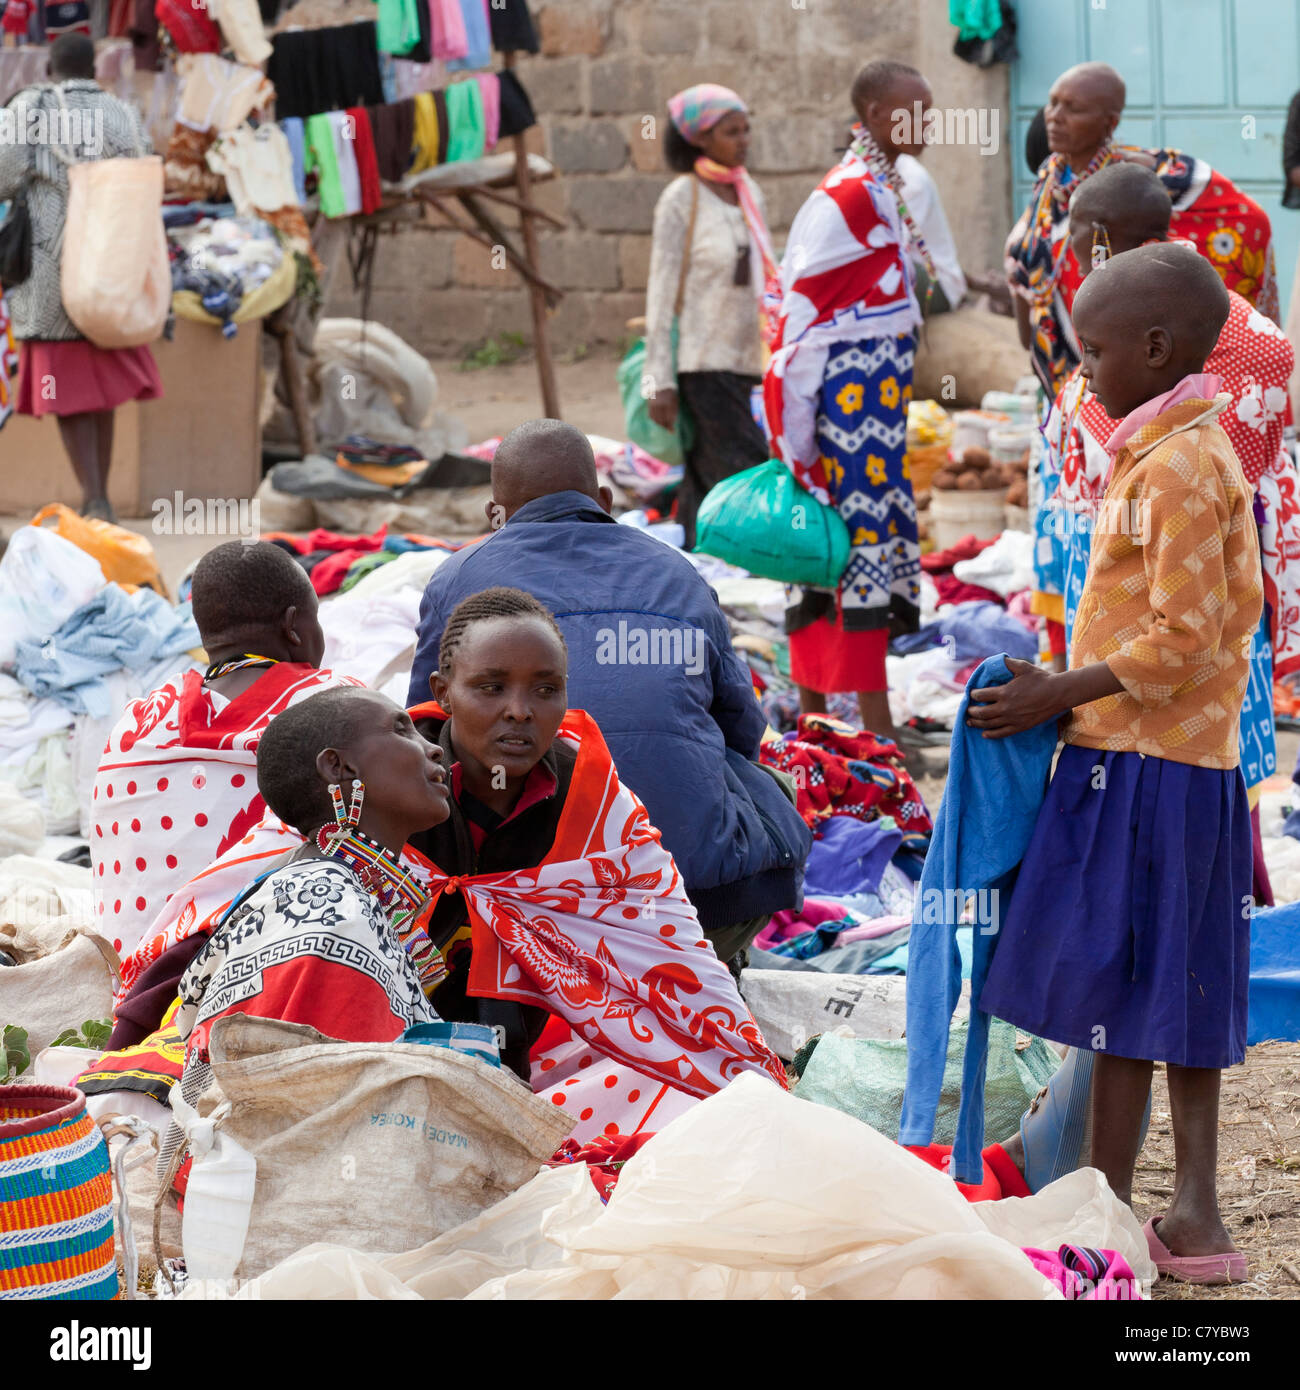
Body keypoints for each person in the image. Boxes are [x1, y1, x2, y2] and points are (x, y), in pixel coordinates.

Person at [972, 243, 1259, 1284]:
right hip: (1164, 758)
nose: (1080, 367)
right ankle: (1144, 1205)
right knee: (1148, 992)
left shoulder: (1180, 463)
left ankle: (1164, 1206)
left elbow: (1185, 636)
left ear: (1154, 346)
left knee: (1139, 986)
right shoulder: (1165, 446)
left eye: (1090, 349)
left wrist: (1059, 690)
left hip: (1151, 763)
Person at [406, 419, 811, 974]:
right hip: (694, 911)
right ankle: (713, 966)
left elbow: (425, 728)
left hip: (521, 919)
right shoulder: (678, 572)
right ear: (603, 500)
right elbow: (741, 729)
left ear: (494, 514)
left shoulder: (458, 576)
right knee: (767, 782)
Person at [405, 586, 787, 1091]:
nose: (520, 711)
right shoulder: (391, 782)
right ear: (443, 691)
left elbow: (673, 949)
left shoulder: (596, 801)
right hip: (398, 1039)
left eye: (545, 690)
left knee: (687, 1088)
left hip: (545, 1036)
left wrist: (749, 1076)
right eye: (491, 687)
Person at [94, 540, 355, 1027]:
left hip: (128, 991)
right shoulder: (335, 710)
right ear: (294, 626)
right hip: (254, 999)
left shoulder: (136, 721)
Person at [174, 687, 450, 1113]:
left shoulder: (325, 885)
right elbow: (330, 1112)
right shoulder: (330, 906)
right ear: (338, 767)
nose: (433, 748)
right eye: (402, 730)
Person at [763, 59, 929, 747]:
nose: (924, 124)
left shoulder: (886, 188)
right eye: (908, 110)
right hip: (844, 416)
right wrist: (798, 440)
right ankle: (859, 725)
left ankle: (840, 717)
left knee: (852, 553)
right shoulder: (851, 196)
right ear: (872, 114)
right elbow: (798, 319)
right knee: (834, 554)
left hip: (874, 414)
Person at [1006, 61, 1279, 401]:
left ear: (1111, 123)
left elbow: (1244, 217)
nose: (1054, 116)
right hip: (1064, 353)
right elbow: (1025, 256)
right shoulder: (1050, 177)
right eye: (1052, 103)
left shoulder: (1142, 179)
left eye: (1072, 108)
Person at [0, 34, 160, 520]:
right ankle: (99, 494)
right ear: (95, 67)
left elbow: (3, 173)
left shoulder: (32, 106)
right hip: (110, 265)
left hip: (52, 265)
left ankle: (94, 496)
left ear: (50, 66)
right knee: (100, 386)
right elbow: (147, 166)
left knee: (66, 389)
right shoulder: (123, 111)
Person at [644, 83, 776, 549]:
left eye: (746, 130)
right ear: (699, 138)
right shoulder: (681, 198)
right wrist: (658, 379)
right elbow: (661, 292)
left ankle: (696, 558)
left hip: (750, 358)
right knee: (745, 467)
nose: (744, 141)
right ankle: (746, 556)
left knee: (704, 474)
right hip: (703, 361)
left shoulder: (748, 193)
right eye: (731, 132)